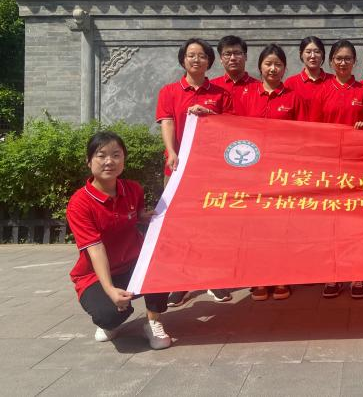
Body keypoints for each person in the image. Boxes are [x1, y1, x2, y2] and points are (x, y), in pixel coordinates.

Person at [66, 131, 171, 349]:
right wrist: (109, 289)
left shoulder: (133, 189)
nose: (109, 161)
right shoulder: (79, 203)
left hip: (133, 264)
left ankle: (153, 322)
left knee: (160, 266)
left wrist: (142, 216)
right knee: (109, 315)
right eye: (101, 155)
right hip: (94, 275)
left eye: (116, 155)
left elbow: (134, 213)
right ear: (89, 161)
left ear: (123, 159)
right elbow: (96, 249)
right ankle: (111, 321)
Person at [155, 37, 232, 306]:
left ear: (209, 61)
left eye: (201, 55)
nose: (196, 60)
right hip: (178, 167)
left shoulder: (221, 94)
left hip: (211, 170)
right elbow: (166, 122)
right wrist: (171, 152)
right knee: (180, 226)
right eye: (191, 55)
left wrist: (209, 115)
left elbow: (230, 126)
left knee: (211, 226)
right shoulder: (169, 91)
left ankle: (213, 279)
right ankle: (182, 283)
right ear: (183, 59)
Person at [232, 44, 308, 301]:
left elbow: (304, 135)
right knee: (256, 227)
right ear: (260, 67)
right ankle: (259, 277)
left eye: (278, 64)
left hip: (283, 172)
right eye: (268, 64)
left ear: (285, 68)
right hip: (253, 172)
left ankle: (281, 276)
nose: (273, 69)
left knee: (281, 227)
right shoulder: (245, 95)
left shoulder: (294, 98)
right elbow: (232, 128)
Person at [310, 39, 363, 299]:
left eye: (348, 58)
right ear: (330, 62)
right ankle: (334, 273)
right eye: (338, 58)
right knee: (333, 222)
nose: (343, 62)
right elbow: (313, 131)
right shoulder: (322, 91)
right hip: (330, 166)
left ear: (355, 62)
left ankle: (358, 274)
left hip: (358, 166)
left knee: (358, 222)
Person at [284, 36, 334, 113]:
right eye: (308, 52)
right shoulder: (291, 83)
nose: (313, 56)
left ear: (323, 54)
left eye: (317, 52)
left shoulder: (333, 81)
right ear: (301, 54)